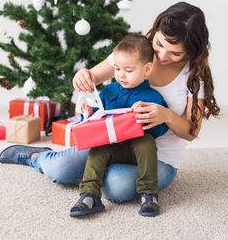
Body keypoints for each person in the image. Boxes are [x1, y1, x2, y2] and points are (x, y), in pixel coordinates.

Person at [0, 1, 220, 209]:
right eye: (160, 44)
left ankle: (98, 171)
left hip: (159, 159)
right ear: (156, 30)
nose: (162, 55)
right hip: (113, 140)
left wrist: (167, 116)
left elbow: (191, 132)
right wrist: (82, 76)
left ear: (192, 51)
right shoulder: (138, 49)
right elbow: (92, 76)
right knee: (59, 170)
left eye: (176, 53)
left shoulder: (193, 76)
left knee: (116, 186)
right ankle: (37, 157)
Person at [70, 34, 168, 217]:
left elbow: (161, 129)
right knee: (97, 149)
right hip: (112, 147)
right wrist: (89, 113)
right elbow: (96, 120)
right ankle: (89, 195)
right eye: (117, 68)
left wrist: (148, 120)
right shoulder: (109, 91)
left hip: (136, 151)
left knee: (146, 141)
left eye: (128, 70)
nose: (121, 75)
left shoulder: (152, 97)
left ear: (147, 69)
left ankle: (149, 194)